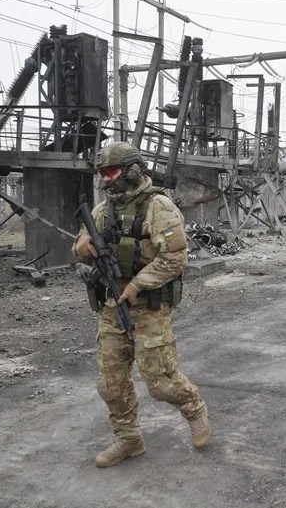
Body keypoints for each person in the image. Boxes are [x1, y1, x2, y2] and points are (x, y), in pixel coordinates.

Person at [73, 141, 211, 468]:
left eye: (112, 172)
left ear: (132, 171)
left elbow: (175, 258)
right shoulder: (102, 210)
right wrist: (83, 247)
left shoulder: (158, 206)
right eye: (102, 173)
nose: (105, 179)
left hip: (149, 306)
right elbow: (77, 245)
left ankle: (195, 410)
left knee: (161, 383)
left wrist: (137, 284)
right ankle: (129, 439)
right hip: (111, 306)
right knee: (110, 384)